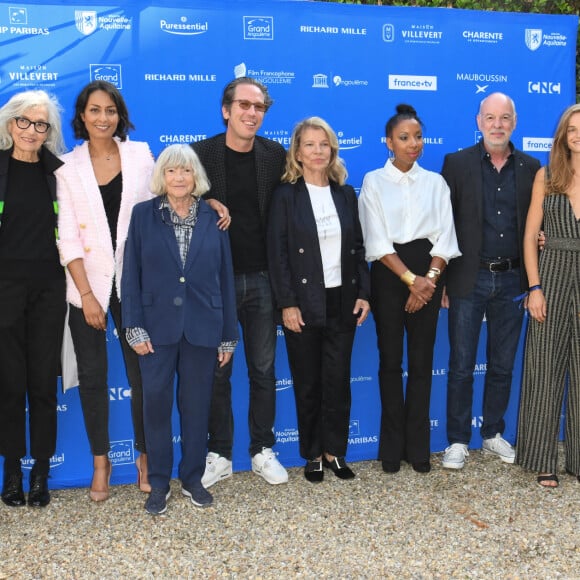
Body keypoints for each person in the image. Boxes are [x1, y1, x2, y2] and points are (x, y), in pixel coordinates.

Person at [121, 144, 238, 515]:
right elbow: (131, 276)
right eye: (171, 171)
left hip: (203, 328)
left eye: (185, 171)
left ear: (195, 176)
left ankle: (192, 478)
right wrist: (134, 327)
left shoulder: (213, 218)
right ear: (162, 176)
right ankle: (158, 483)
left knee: (196, 407)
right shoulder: (142, 216)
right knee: (155, 408)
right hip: (155, 331)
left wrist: (228, 334)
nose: (178, 178)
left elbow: (226, 280)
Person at [56, 81, 155, 500]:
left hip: (135, 283)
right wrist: (88, 296)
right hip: (87, 287)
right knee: (94, 376)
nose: (102, 118)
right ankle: (102, 460)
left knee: (143, 375)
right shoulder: (66, 166)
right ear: (82, 116)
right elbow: (67, 239)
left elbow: (159, 211)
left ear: (120, 114)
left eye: (110, 110)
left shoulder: (141, 154)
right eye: (94, 110)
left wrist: (213, 204)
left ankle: (145, 456)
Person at [191, 77, 288, 487]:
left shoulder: (275, 155)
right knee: (217, 371)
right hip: (217, 284)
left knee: (264, 369)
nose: (252, 113)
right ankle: (220, 453)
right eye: (244, 105)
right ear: (226, 110)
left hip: (265, 280)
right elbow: (171, 200)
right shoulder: (200, 154)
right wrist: (203, 201)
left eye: (260, 106)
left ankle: (262, 449)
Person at [267, 117, 370, 482]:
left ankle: (334, 452)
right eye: (309, 145)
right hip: (303, 302)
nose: (317, 151)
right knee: (308, 381)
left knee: (338, 380)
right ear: (297, 151)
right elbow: (277, 255)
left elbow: (358, 247)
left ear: (332, 149)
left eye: (323, 144)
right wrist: (287, 303)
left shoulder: (345, 193)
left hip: (343, 300)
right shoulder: (285, 196)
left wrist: (363, 293)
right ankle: (311, 453)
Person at [358, 104, 460, 474]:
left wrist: (428, 283)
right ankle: (391, 448)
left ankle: (419, 447)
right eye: (404, 138)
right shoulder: (373, 181)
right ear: (389, 142)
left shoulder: (436, 182)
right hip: (389, 275)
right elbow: (377, 240)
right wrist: (410, 282)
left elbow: (446, 237)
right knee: (389, 361)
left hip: (430, 273)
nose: (413, 144)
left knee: (422, 363)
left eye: (417, 136)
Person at [441, 92, 540, 470]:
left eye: (504, 118)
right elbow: (443, 226)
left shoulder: (533, 169)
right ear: (479, 121)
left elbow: (537, 225)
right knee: (461, 364)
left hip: (513, 280)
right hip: (469, 278)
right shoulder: (457, 164)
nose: (497, 125)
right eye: (490, 117)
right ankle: (456, 439)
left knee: (501, 364)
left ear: (514, 123)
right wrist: (445, 281)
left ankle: (493, 433)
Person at [0, 90, 66, 508]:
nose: (31, 130)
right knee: (8, 384)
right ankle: (11, 473)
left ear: (48, 132)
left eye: (40, 124)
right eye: (24, 121)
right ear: (10, 125)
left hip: (48, 289)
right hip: (4, 287)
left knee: (42, 383)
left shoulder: (59, 172)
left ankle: (40, 472)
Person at [516, 103, 580, 488]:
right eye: (571, 129)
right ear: (562, 135)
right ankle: (542, 459)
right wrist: (534, 287)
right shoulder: (547, 175)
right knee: (543, 370)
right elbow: (529, 237)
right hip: (551, 273)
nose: (577, 134)